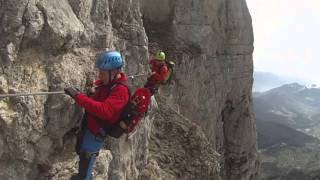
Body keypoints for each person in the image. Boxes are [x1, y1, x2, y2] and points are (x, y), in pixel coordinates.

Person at [64, 50, 129, 180]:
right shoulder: (107, 84)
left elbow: (105, 110)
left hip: (96, 133)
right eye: (100, 72)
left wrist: (78, 97)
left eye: (103, 73)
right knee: (83, 155)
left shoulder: (121, 91)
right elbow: (99, 90)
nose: (100, 76)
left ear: (115, 72)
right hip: (90, 127)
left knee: (87, 160)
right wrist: (91, 92)